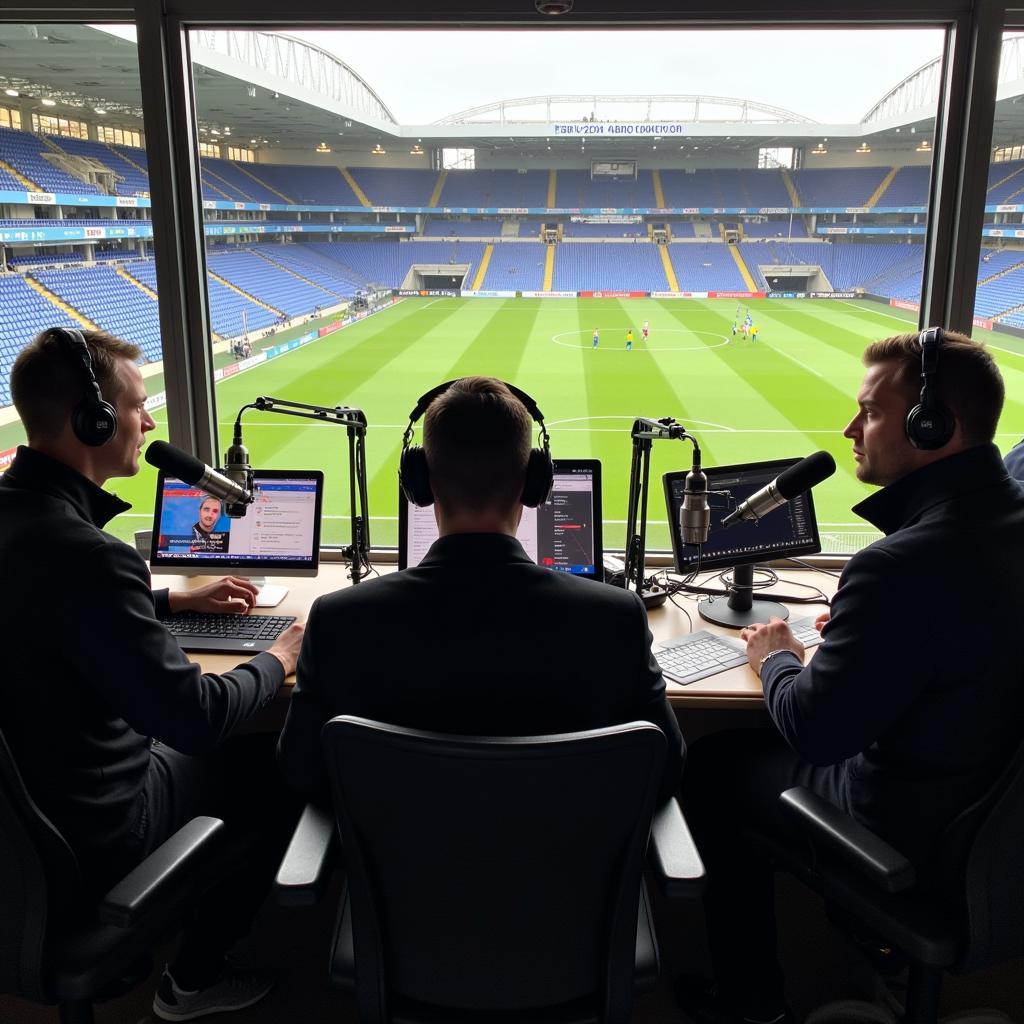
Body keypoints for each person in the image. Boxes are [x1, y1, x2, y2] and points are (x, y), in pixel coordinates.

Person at [678, 329, 1023, 1024]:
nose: (849, 429)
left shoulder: (899, 567)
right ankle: (874, 954)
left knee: (713, 768)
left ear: (932, 425)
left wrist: (773, 655)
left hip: (914, 830)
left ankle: (754, 1006)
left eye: (869, 411)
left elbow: (817, 729)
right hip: (996, 820)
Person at [0, 327, 305, 1022]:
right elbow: (193, 719)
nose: (149, 421)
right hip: (89, 842)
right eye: (137, 406)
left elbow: (40, 607)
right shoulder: (87, 557)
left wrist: (166, 600)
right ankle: (190, 983)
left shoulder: (27, 525)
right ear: (92, 421)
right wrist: (279, 658)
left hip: (22, 829)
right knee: (266, 765)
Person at [278, 376, 683, 808]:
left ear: (419, 481)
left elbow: (301, 771)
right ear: (534, 484)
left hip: (401, 872)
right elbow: (666, 770)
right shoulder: (614, 617)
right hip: (564, 869)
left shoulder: (339, 620)